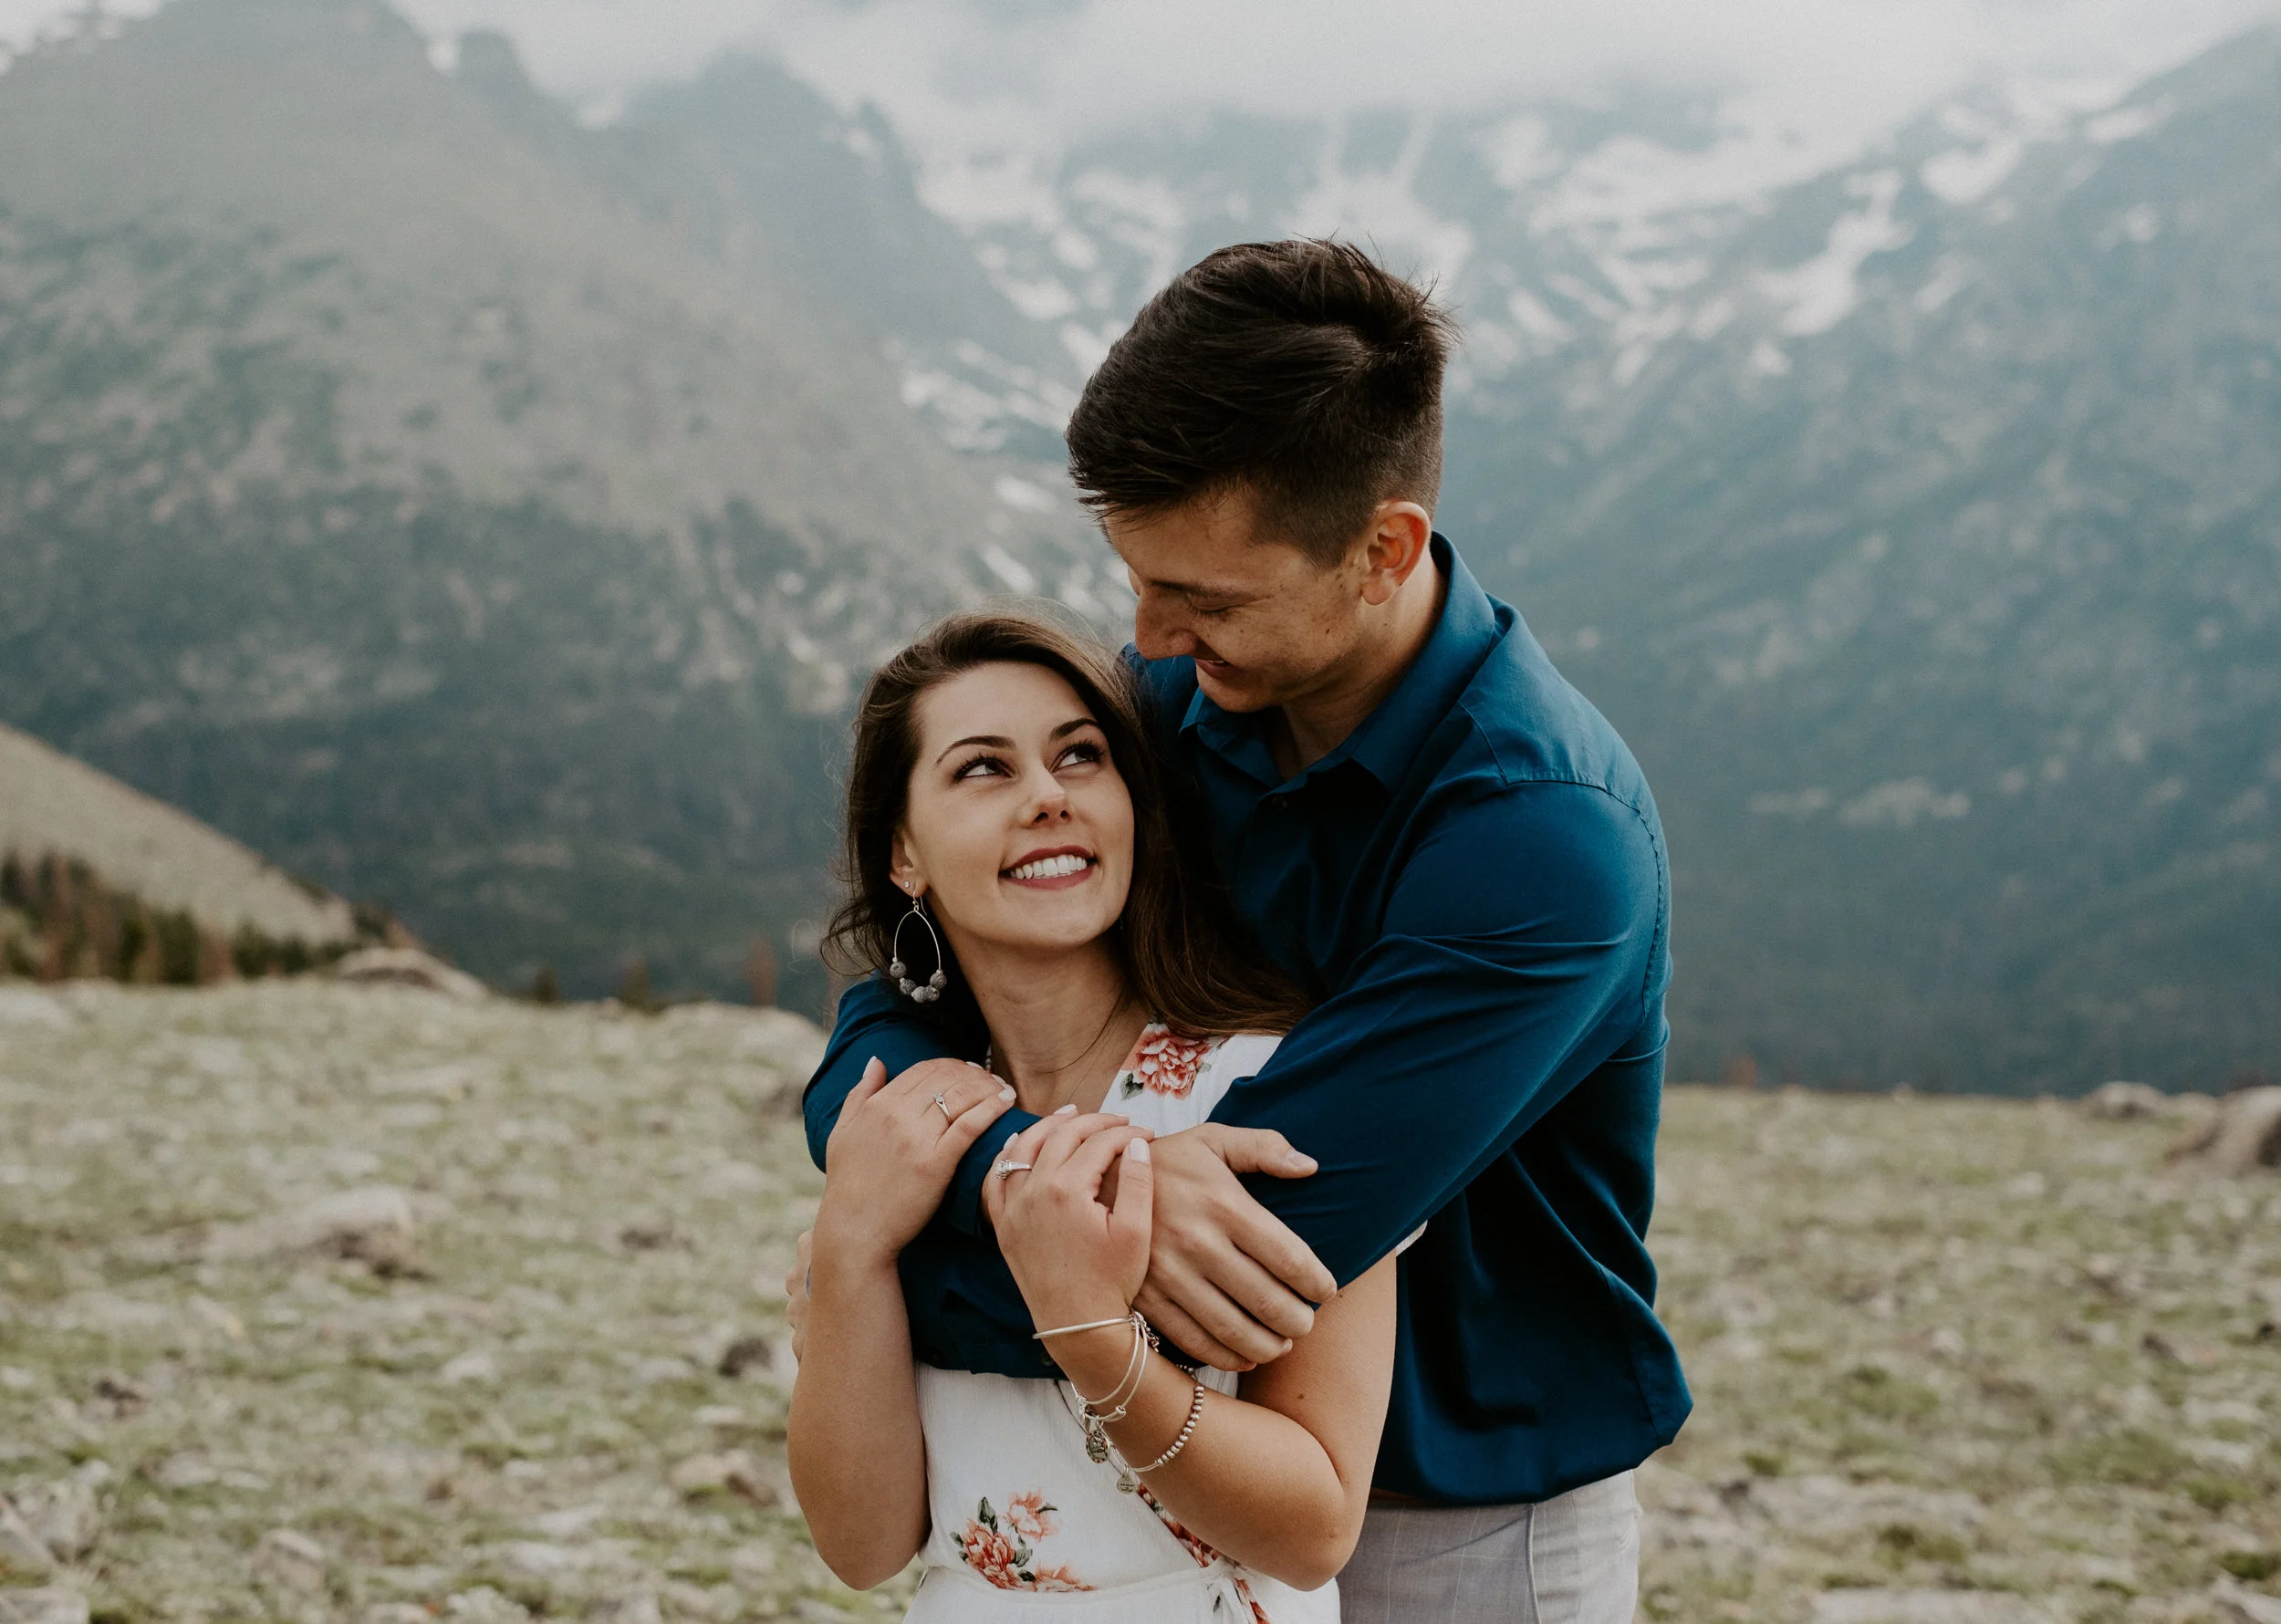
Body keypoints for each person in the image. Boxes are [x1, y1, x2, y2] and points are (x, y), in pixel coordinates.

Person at [801, 239, 1689, 1620]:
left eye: (1204, 598)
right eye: (1139, 579)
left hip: (1462, 1507)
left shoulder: (1541, 841)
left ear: (1381, 550)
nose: (1145, 634)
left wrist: (892, 1220)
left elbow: (1269, 1243)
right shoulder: (1172, 704)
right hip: (1132, 1490)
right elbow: (901, 1007)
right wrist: (969, 1161)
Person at [787, 609, 1415, 1620]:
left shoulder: (1273, 1090)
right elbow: (861, 1546)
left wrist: (1092, 1335)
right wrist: (850, 1248)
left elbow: (1313, 1531)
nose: (1046, 796)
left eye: (1080, 756)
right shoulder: (911, 1125)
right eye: (982, 769)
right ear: (903, 852)